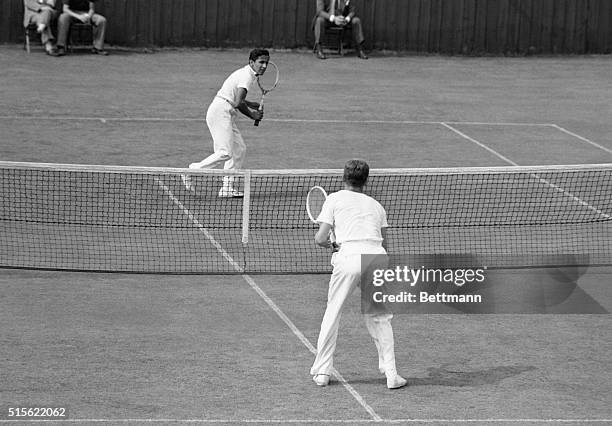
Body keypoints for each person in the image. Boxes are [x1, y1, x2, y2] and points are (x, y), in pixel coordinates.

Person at [310, 159, 407, 389]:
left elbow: (320, 239)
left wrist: (334, 246)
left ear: (344, 177)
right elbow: (386, 244)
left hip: (349, 257)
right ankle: (391, 374)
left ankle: (322, 372)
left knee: (332, 313)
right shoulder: (376, 206)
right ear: (366, 180)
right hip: (377, 258)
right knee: (380, 317)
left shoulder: (333, 199)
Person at [182, 49, 267, 198]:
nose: (264, 66)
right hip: (220, 112)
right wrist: (253, 115)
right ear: (251, 62)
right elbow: (238, 103)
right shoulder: (247, 76)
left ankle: (227, 188)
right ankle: (192, 170)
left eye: (266, 62)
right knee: (225, 152)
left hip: (225, 111)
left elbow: (235, 98)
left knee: (239, 149)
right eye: (261, 62)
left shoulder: (248, 74)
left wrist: (250, 104)